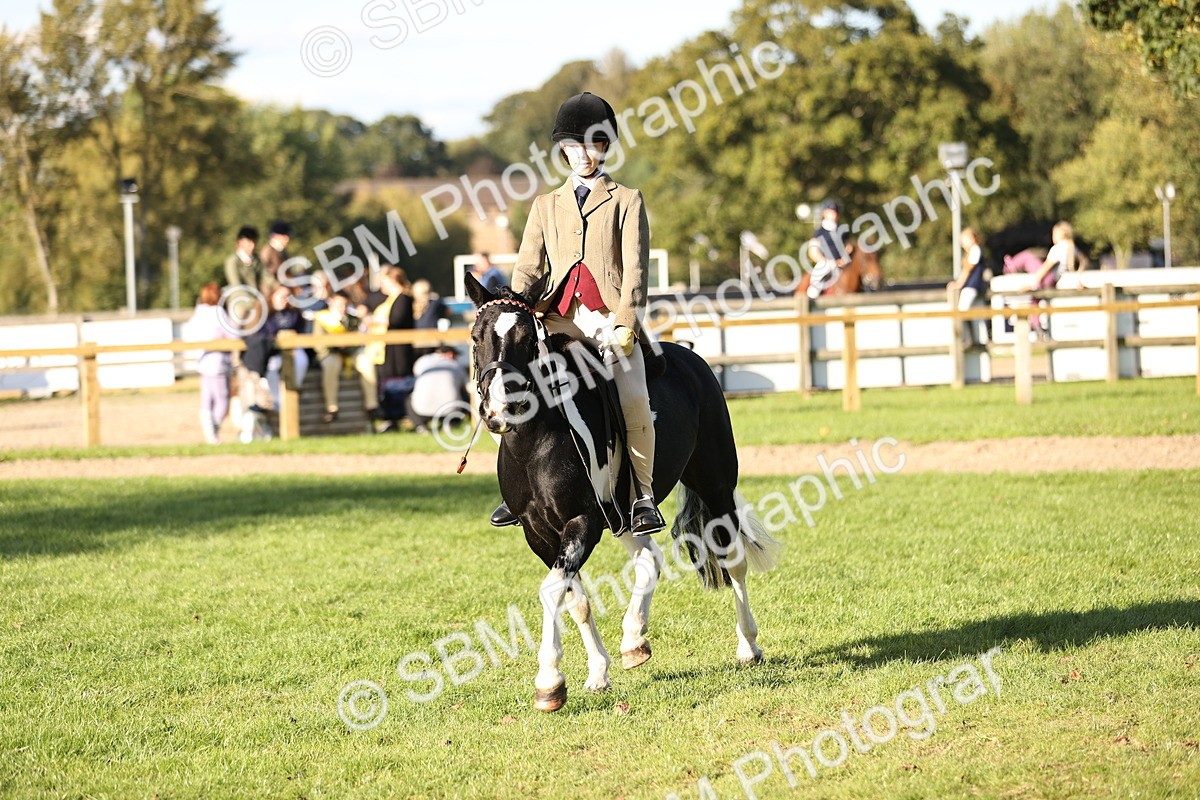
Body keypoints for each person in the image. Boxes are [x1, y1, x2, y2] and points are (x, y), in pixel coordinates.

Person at [498, 91, 664, 536]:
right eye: (573, 148)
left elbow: (635, 269)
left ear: (605, 147)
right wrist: (515, 312)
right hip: (557, 318)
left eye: (591, 146)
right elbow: (528, 268)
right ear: (563, 151)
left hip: (609, 319)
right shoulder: (545, 205)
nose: (582, 156)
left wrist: (627, 321)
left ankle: (643, 496)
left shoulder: (627, 200)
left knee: (633, 397)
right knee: (516, 387)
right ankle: (515, 489)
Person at [183, 282, 236, 444]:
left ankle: (210, 431)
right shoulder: (218, 313)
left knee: (207, 400)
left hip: (203, 361)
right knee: (222, 400)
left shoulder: (198, 313)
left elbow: (189, 335)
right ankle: (213, 431)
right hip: (218, 362)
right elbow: (234, 335)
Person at [312, 293, 370, 424]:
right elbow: (319, 343)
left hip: (350, 354)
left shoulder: (353, 319)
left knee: (366, 362)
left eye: (345, 304)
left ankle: (372, 406)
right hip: (331, 354)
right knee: (331, 365)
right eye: (339, 304)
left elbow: (359, 338)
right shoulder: (322, 318)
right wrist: (336, 347)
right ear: (331, 303)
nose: (342, 307)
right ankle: (332, 407)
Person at [407, 346, 467, 433]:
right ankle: (451, 423)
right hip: (449, 411)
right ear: (450, 355)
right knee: (463, 395)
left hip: (421, 410)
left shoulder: (422, 361)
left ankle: (420, 426)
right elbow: (464, 386)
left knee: (409, 399)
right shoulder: (456, 365)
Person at [948, 227, 987, 344]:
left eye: (964, 240)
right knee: (968, 313)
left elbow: (968, 269)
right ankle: (971, 338)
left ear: (972, 238)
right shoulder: (973, 251)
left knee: (962, 311)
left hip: (972, 286)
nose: (962, 243)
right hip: (970, 286)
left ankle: (966, 339)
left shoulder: (975, 250)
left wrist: (958, 283)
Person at [806, 199, 851, 299]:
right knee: (815, 285)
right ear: (825, 213)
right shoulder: (819, 232)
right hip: (826, 264)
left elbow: (848, 247)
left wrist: (843, 259)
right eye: (831, 212)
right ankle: (812, 299)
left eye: (835, 212)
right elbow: (813, 251)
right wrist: (826, 262)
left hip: (842, 263)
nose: (833, 214)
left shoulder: (843, 230)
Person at [1027, 221, 1080, 290]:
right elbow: (1084, 262)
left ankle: (1010, 266)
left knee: (1026, 256)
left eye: (1054, 234)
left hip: (1049, 280)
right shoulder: (1073, 247)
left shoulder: (1058, 248)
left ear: (1060, 234)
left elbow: (1045, 268)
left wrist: (1032, 284)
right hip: (1057, 281)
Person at [412, 278, 450, 359]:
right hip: (432, 340)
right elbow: (448, 312)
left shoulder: (411, 303)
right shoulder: (435, 303)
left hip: (415, 341)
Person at [223, 226, 264, 292]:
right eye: (249, 242)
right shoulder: (233, 261)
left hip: (257, 297)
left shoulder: (257, 259)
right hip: (240, 298)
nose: (252, 245)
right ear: (240, 242)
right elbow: (236, 285)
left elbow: (266, 277)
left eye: (254, 241)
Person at [259, 221, 291, 288]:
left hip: (284, 287)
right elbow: (263, 273)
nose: (287, 239)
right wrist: (277, 285)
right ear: (275, 236)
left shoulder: (283, 251)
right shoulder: (267, 251)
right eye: (284, 236)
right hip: (271, 289)